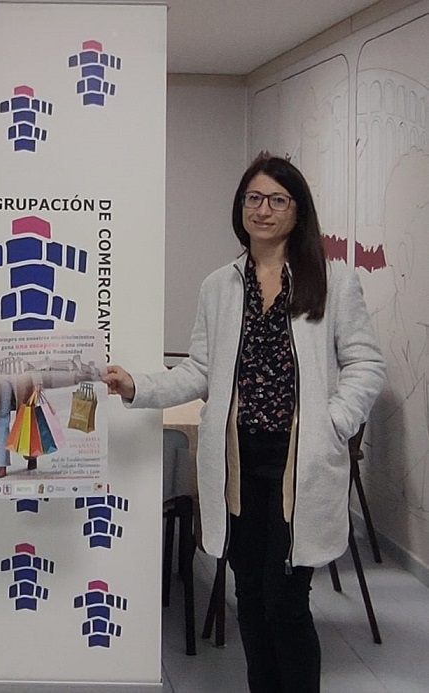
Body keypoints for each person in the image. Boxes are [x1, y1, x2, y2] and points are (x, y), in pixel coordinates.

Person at [103, 153, 385, 693]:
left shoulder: (332, 280)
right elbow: (200, 370)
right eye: (253, 198)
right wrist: (138, 386)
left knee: (287, 601)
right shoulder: (220, 286)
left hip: (297, 465)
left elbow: (365, 363)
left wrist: (335, 421)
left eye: (277, 199)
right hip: (237, 465)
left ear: (297, 211)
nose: (263, 209)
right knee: (249, 597)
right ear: (240, 207)